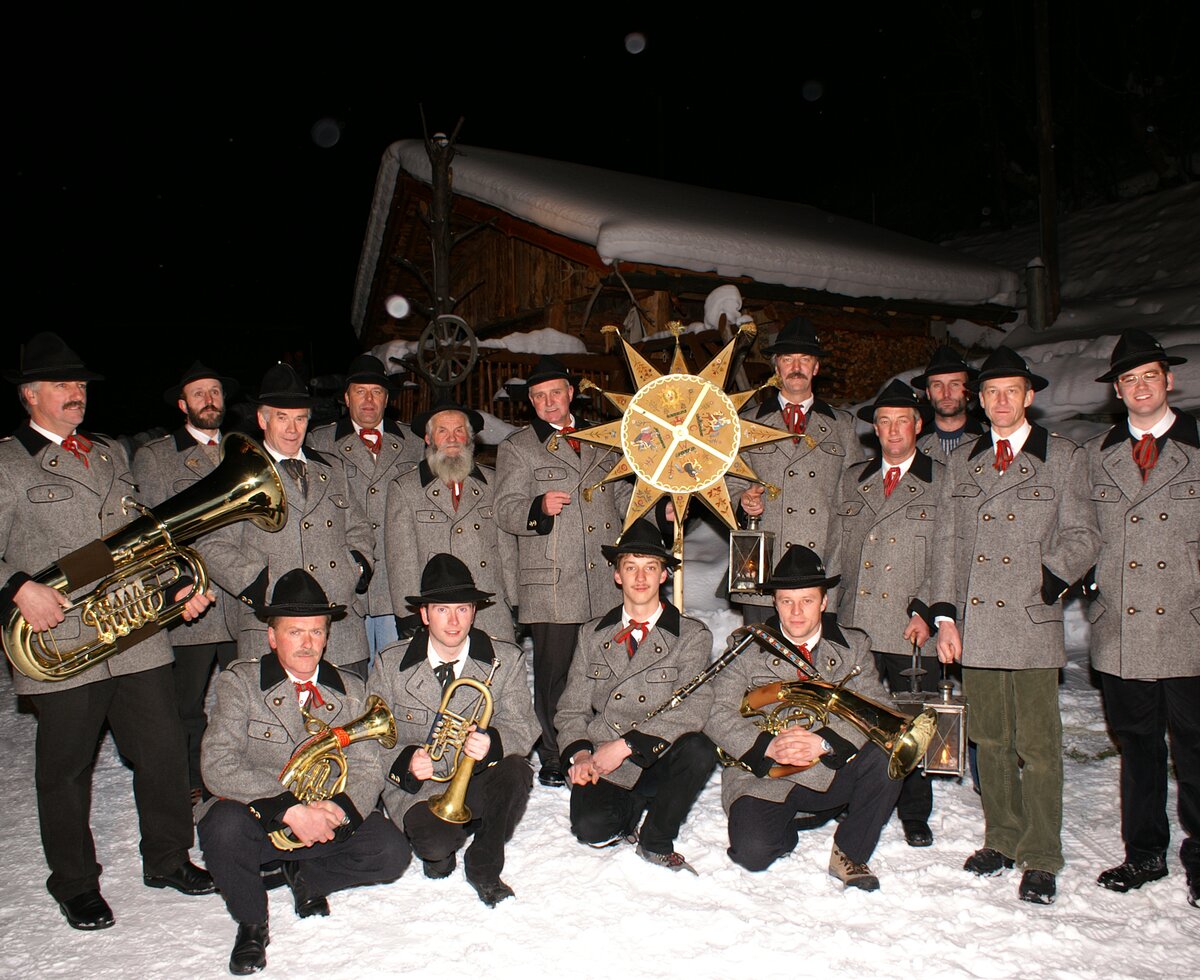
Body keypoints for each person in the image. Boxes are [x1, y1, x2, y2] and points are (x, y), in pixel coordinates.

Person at [0, 332, 214, 931]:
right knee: (65, 771)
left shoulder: (108, 455)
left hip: (137, 636)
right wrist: (19, 588)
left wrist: (176, 592)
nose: (76, 394)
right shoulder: (7, 463)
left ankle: (169, 858)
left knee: (165, 752)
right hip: (62, 640)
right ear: (29, 395)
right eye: (63, 386)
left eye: (81, 385)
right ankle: (74, 882)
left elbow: (137, 541)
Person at [932, 346, 1100, 905]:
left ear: (1030, 397)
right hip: (977, 623)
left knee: (1039, 744)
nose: (1001, 402)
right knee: (990, 740)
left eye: (1013, 391)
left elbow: (1084, 534)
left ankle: (1041, 855)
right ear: (979, 401)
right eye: (991, 393)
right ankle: (1001, 838)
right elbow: (949, 548)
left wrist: (1049, 583)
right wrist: (946, 618)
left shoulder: (1065, 456)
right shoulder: (964, 463)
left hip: (1031, 620)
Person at [196, 568, 409, 975]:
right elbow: (218, 763)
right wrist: (290, 808)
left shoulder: (351, 689)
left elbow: (367, 766)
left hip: (322, 820)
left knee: (391, 851)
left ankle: (306, 875)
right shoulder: (240, 682)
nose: (307, 643)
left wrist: (339, 809)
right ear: (273, 637)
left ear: (327, 637)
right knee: (221, 827)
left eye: (315, 632)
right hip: (261, 819)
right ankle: (252, 923)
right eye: (295, 632)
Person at [705, 545, 901, 891]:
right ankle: (786, 824)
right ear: (774, 602)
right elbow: (715, 710)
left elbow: (877, 704)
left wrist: (825, 740)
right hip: (767, 773)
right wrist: (767, 746)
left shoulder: (852, 645)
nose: (796, 612)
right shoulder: (747, 646)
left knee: (888, 752)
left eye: (807, 601)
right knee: (752, 853)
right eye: (786, 601)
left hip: (832, 766)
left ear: (824, 602)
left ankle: (850, 853)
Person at [1083, 328, 1199, 907]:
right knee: (1138, 748)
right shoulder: (1097, 456)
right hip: (1121, 629)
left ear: (1168, 380)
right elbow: (1079, 532)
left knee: (1196, 749)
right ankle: (1145, 852)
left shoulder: (1198, 447)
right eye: (1128, 379)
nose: (1139, 386)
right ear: (1118, 391)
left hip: (1188, 625)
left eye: (1148, 375)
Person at [369, 554, 538, 907]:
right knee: (435, 848)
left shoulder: (502, 659)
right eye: (442, 610)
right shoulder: (390, 663)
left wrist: (491, 744)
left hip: (475, 775)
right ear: (424, 614)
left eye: (462, 609)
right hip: (421, 787)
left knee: (516, 769)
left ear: (474, 612)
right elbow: (371, 741)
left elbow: (524, 724)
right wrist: (405, 763)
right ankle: (447, 845)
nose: (453, 620)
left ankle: (484, 864)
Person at [495, 355, 630, 787]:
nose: (548, 402)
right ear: (529, 402)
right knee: (555, 673)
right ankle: (554, 754)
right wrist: (537, 508)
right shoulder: (517, 447)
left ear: (571, 393)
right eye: (538, 396)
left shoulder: (605, 441)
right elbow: (503, 509)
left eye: (556, 392)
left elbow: (624, 498)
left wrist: (657, 512)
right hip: (552, 580)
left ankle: (601, 744)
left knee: (603, 668)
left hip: (604, 579)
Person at [555, 519, 716, 872]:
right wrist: (581, 755)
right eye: (631, 568)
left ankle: (655, 837)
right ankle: (633, 805)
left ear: (663, 575)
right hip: (604, 759)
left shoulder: (691, 635)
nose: (640, 578)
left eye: (650, 568)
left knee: (700, 748)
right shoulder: (592, 634)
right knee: (591, 829)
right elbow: (571, 709)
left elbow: (693, 709)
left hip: (658, 754)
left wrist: (626, 746)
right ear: (617, 575)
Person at [826, 379, 944, 847]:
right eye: (884, 421)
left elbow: (948, 556)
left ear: (918, 425)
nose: (893, 430)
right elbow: (836, 551)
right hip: (859, 624)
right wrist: (829, 615)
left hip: (912, 624)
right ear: (874, 429)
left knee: (914, 718)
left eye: (903, 421)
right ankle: (857, 799)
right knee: (859, 717)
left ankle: (915, 811)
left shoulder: (941, 479)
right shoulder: (855, 478)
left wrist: (931, 610)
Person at [203, 363, 375, 677]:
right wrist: (262, 587)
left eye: (299, 419)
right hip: (272, 628)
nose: (292, 429)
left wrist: (357, 567)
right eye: (282, 418)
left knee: (348, 720)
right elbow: (213, 546)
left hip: (341, 626)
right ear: (261, 419)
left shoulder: (332, 469)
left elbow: (359, 527)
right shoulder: (239, 474)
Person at [133, 360, 242, 801]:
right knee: (186, 705)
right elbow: (153, 532)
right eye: (199, 393)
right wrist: (177, 588)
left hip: (241, 599)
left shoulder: (242, 447)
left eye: (215, 391)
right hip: (189, 600)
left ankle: (238, 778)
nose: (209, 400)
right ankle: (192, 782)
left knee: (246, 698)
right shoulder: (156, 457)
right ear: (183, 404)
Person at [731, 316, 862, 624]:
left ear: (816, 367)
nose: (796, 367)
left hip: (821, 566)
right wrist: (742, 501)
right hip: (762, 566)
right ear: (776, 367)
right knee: (761, 661)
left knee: (813, 664)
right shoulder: (748, 423)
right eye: (788, 359)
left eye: (805, 359)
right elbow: (726, 483)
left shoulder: (842, 426)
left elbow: (855, 499)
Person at [308, 353, 422, 658]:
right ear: (346, 398)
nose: (368, 400)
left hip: (396, 581)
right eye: (360, 391)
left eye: (377, 392)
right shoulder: (321, 442)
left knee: (395, 667)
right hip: (346, 576)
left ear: (387, 399)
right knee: (349, 670)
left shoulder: (414, 442)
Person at [386, 398, 517, 641]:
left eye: (459, 431)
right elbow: (401, 560)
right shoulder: (405, 489)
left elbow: (506, 549)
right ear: (428, 439)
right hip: (437, 612)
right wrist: (409, 616)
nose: (452, 438)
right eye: (442, 431)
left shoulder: (493, 483)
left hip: (490, 607)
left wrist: (516, 602)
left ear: (470, 438)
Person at [910, 345, 987, 464]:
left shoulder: (990, 439)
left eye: (955, 384)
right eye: (937, 385)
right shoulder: (913, 444)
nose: (946, 393)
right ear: (928, 393)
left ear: (968, 392)